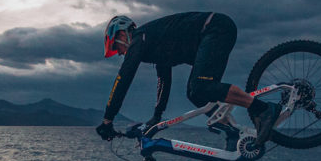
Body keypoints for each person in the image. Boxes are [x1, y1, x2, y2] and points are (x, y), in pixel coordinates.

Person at [95, 13, 281, 150]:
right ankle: (232, 131)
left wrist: (107, 119)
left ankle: (264, 109)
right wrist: (157, 116)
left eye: (115, 47)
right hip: (213, 34)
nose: (119, 53)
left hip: (215, 28)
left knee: (200, 86)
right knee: (196, 94)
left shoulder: (139, 38)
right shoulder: (152, 43)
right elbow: (163, 79)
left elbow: (124, 78)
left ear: (121, 35)